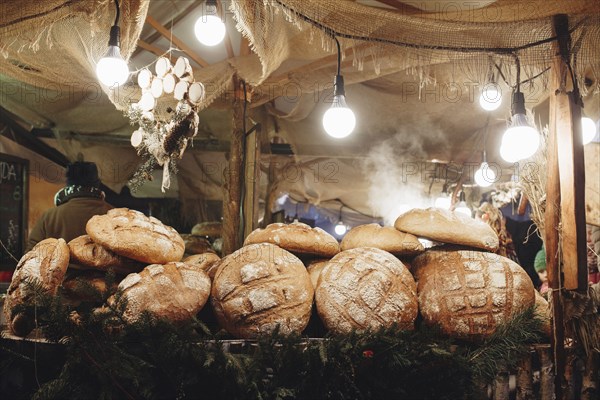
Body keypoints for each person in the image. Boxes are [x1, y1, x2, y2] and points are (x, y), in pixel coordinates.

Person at [26, 162, 113, 251]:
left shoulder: (50, 216)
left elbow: (31, 254)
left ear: (69, 183)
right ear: (97, 184)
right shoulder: (113, 214)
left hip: (60, 265)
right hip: (106, 265)